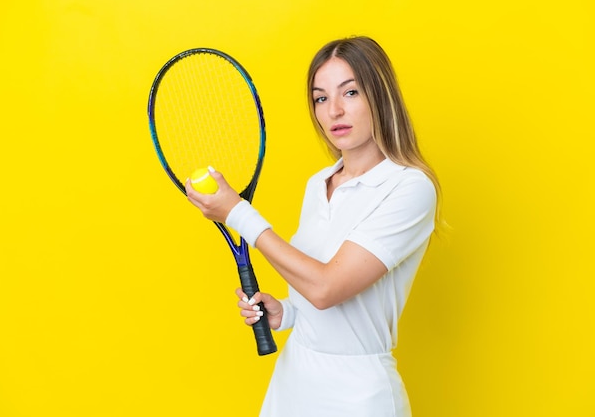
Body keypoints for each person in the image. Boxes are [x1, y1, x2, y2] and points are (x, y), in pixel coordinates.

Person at [185, 36, 441, 417]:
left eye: (350, 92)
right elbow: (313, 296)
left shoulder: (410, 188)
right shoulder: (318, 183)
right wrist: (286, 313)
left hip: (359, 396)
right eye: (321, 98)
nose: (334, 110)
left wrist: (237, 213)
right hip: (294, 382)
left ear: (380, 97)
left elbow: (326, 288)